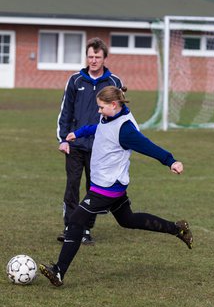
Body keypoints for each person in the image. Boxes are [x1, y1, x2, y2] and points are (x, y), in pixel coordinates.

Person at [40, 86, 193, 287]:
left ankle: (59, 271)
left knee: (76, 220)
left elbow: (148, 146)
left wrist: (170, 161)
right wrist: (79, 133)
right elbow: (100, 128)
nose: (98, 111)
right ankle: (177, 229)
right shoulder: (110, 117)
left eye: (101, 107)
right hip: (110, 183)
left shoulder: (126, 130)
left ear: (114, 104)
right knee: (127, 219)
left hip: (106, 187)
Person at [56, 37, 123, 244]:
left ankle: (85, 228)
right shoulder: (75, 80)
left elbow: (119, 115)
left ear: (104, 58)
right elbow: (65, 111)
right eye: (90, 56)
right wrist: (63, 139)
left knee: (94, 188)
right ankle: (70, 227)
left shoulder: (114, 82)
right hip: (74, 144)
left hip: (101, 147)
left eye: (97, 57)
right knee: (72, 186)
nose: (93, 60)